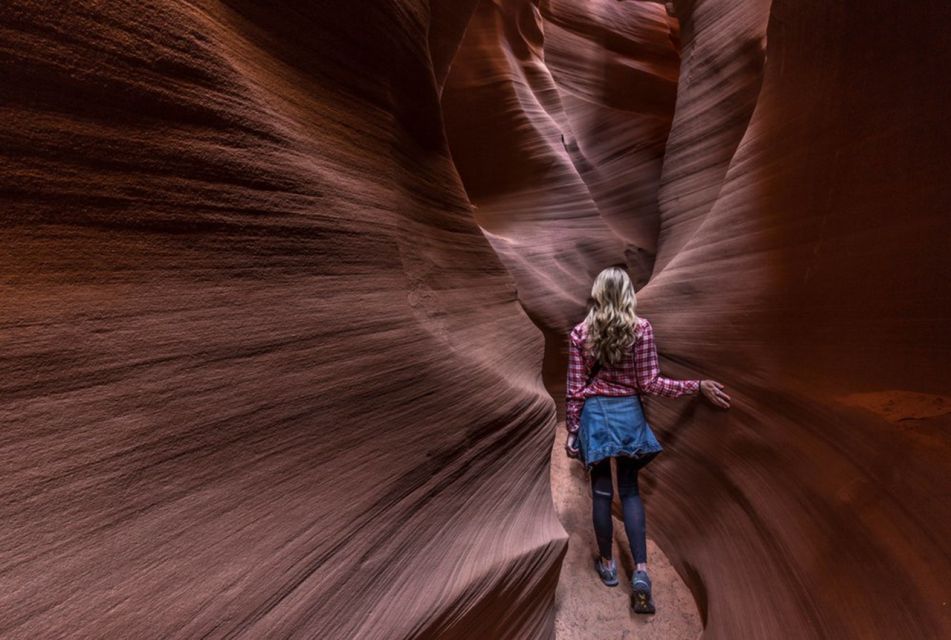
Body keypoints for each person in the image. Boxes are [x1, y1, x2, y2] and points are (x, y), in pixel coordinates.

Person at [564, 266, 731, 614]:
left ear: (597, 293)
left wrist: (572, 430)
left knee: (600, 491)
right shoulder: (641, 331)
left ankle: (608, 566)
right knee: (629, 490)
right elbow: (651, 383)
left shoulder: (580, 334)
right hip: (629, 414)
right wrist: (695, 386)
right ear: (627, 294)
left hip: (595, 416)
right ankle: (640, 572)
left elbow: (575, 391)